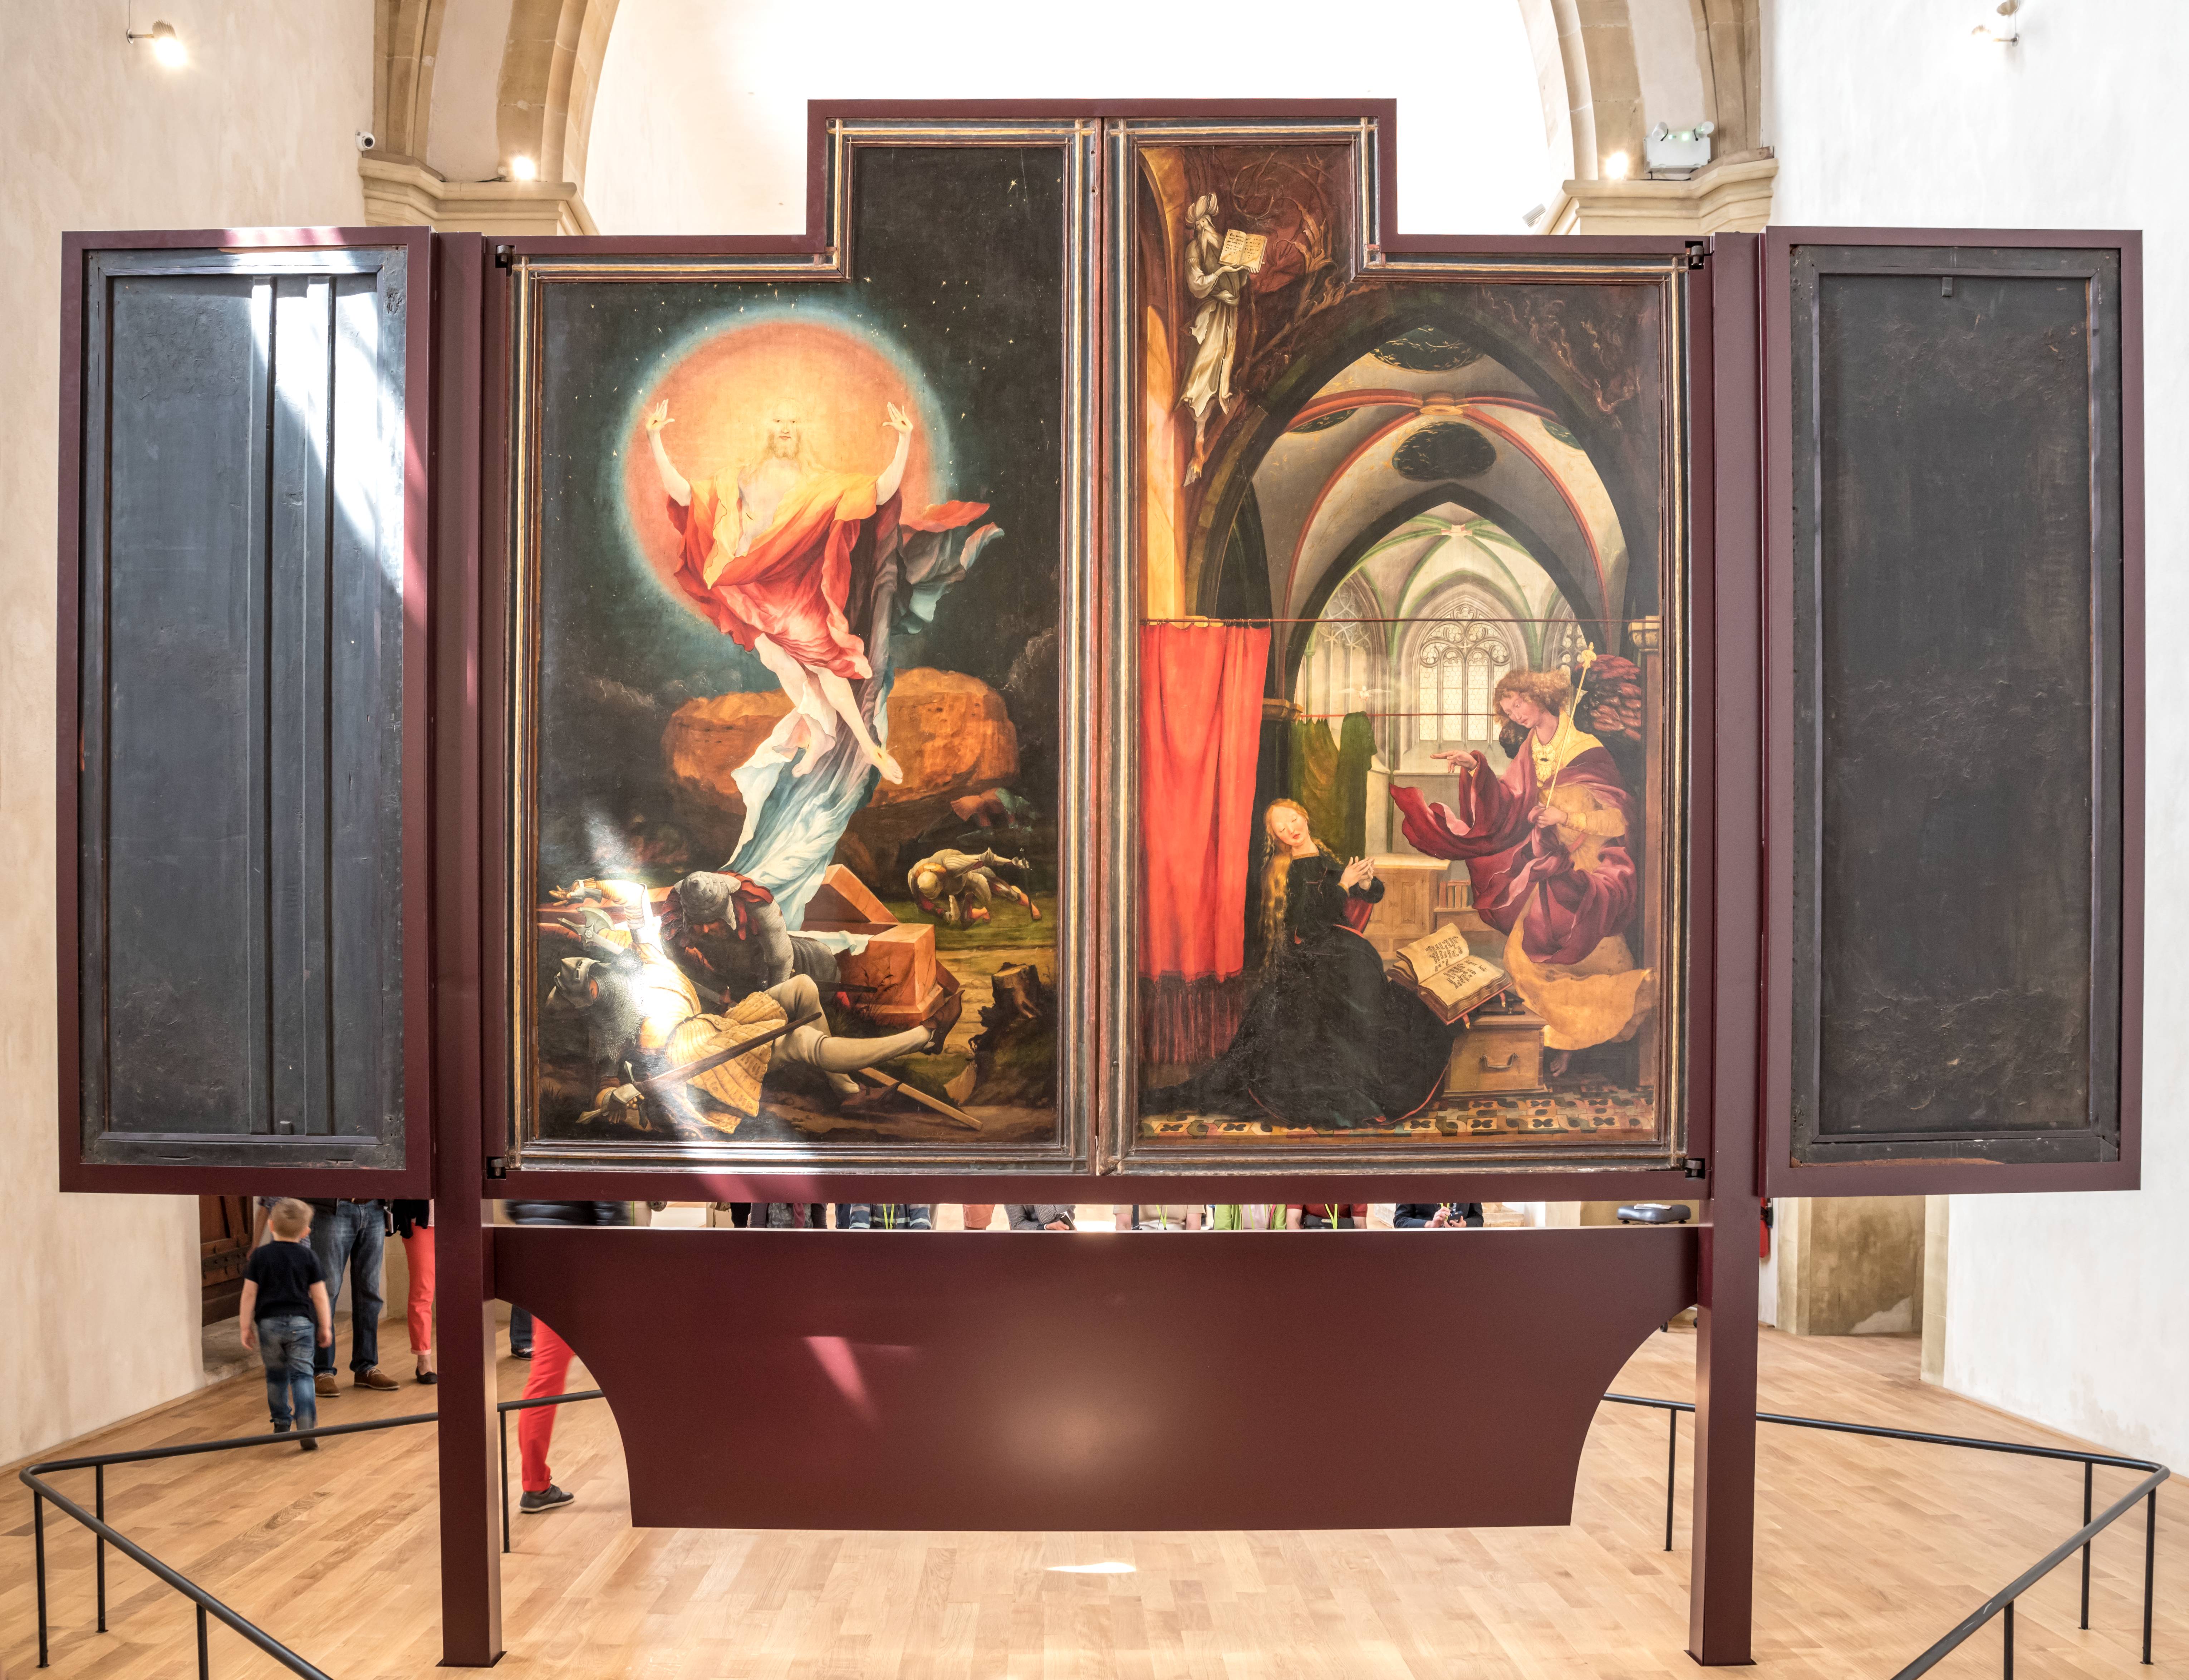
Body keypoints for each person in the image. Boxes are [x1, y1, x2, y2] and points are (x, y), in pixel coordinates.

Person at [646, 397, 990, 787]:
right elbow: (687, 497)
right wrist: (655, 440)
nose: (786, 427)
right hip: (753, 587)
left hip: (797, 595)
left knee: (826, 664)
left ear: (801, 432)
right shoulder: (738, 478)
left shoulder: (820, 483)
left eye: (793, 420)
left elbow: (880, 492)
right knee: (779, 660)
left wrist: (904, 442)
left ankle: (869, 748)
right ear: (766, 429)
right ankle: (819, 737)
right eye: (778, 419)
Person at [1393, 660, 1653, 1072]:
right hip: (1549, 871)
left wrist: (1566, 817)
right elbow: (1508, 803)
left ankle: (1582, 1035)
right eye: (1508, 710)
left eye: (1518, 704)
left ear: (1539, 694)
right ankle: (1559, 1036)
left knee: (1586, 963)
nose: (1516, 715)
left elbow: (1619, 821)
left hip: (1588, 881)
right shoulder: (1532, 748)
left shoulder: (1587, 750)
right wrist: (1476, 767)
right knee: (1523, 960)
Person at [1141, 799, 1448, 1127]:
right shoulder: (1283, 871)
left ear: (1304, 815)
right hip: (1310, 965)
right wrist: (1343, 885)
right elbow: (1311, 924)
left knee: (1382, 1013)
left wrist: (1363, 883)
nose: (1291, 829)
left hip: (1345, 958)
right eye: (1281, 828)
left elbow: (1371, 894)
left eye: (1292, 819)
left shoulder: (1326, 859)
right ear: (1276, 837)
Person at [503, 1201, 632, 1514]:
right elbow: (611, 1215)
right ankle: (662, 1478)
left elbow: (512, 1205)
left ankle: (535, 1484)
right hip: (581, 1273)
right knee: (635, 1372)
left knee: (544, 1381)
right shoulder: (594, 1161)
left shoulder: (525, 1164)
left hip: (540, 1267)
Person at [265, 1197, 398, 1395]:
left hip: (374, 1208)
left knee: (370, 1294)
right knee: (327, 1292)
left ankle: (366, 1367)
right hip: (332, 1209)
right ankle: (321, 1371)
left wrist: (388, 1203)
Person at [239, 1199, 333, 1450]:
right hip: (301, 1324)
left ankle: (281, 1422)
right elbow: (320, 1296)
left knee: (276, 1375)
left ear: (271, 1226)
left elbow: (249, 1294)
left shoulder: (260, 1256)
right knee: (303, 1375)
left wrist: (245, 1327)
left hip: (269, 1325)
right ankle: (307, 1422)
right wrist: (325, 1326)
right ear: (306, 1232)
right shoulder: (309, 1256)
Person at [392, 1200, 435, 1384]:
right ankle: (424, 1360)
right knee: (422, 1292)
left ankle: (462, 1355)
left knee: (462, 1292)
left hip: (461, 1221)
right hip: (422, 1222)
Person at [1111, 1204, 1204, 1230]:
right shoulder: (1129, 1182)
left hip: (1180, 1243)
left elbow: (1194, 1226)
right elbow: (1123, 1225)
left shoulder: (1190, 1183)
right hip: (1138, 1240)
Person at [1395, 1203, 1484, 1228]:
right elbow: (1400, 1220)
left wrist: (1465, 1225)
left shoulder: (1468, 1179)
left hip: (1460, 1250)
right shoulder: (1412, 1178)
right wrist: (1429, 1225)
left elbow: (1478, 1218)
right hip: (1423, 1249)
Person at [1287, 1203, 1370, 1229]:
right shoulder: (1302, 1178)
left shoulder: (1353, 1181)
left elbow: (1360, 1226)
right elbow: (1293, 1221)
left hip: (1343, 1239)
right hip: (1310, 1239)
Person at [1210, 1204, 1287, 1231]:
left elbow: (1280, 1229)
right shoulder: (1227, 1190)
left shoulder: (1277, 1191)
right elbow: (1222, 1230)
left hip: (1269, 1246)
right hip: (1235, 1246)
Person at [1008, 1205, 1076, 1230]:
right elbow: (1017, 1224)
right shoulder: (1013, 1184)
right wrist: (1047, 1227)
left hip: (1061, 1238)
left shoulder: (1066, 1181)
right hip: (1028, 1241)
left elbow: (1047, 1218)